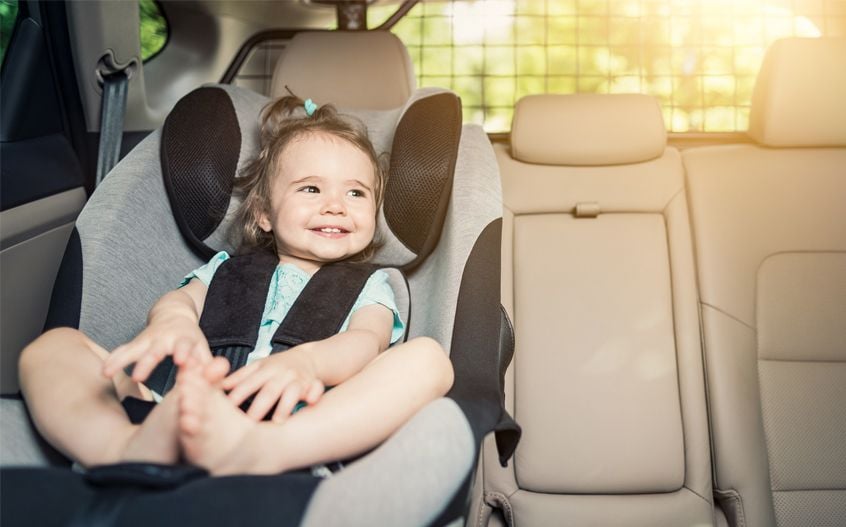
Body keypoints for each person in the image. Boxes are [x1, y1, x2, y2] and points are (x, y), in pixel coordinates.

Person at [18, 96, 454, 477]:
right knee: (53, 347)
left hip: (297, 424)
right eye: (311, 188)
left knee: (430, 360)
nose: (336, 206)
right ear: (264, 213)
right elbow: (181, 300)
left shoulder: (371, 284)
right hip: (179, 410)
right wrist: (173, 323)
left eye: (357, 194)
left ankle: (260, 452)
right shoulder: (225, 269)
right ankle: (120, 448)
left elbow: (367, 341)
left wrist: (309, 365)